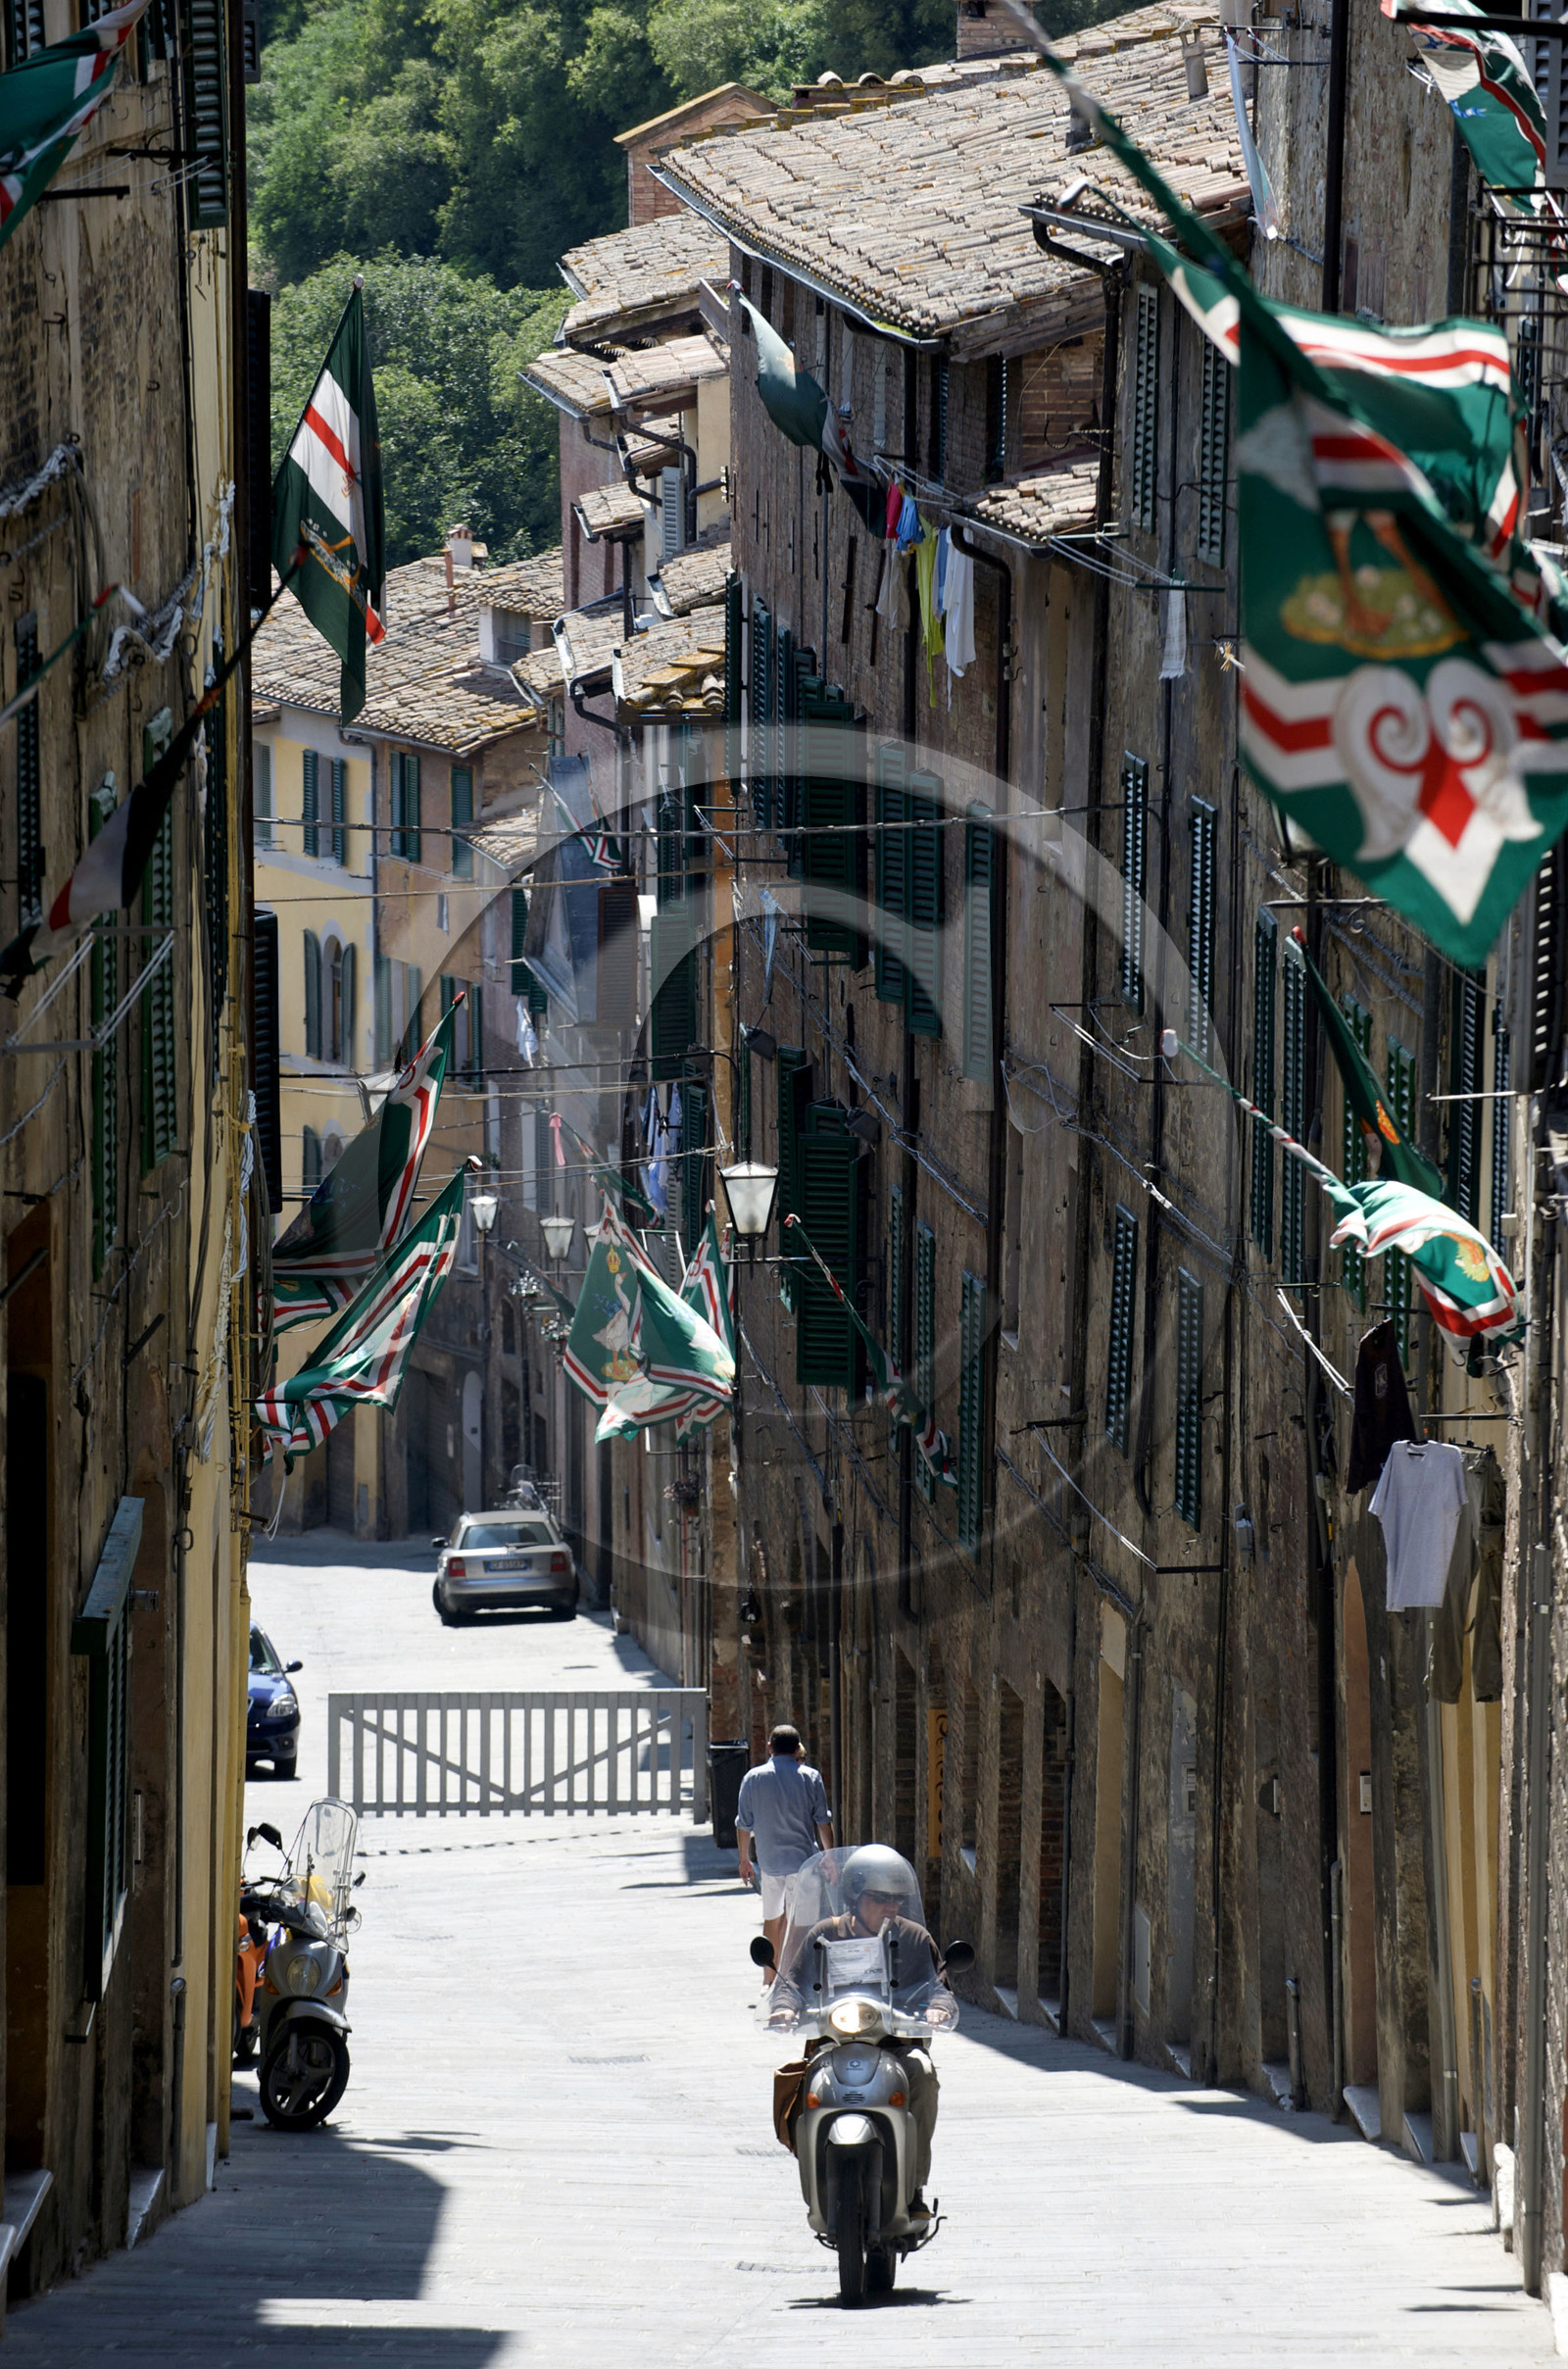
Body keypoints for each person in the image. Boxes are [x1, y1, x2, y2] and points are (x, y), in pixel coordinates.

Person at [769, 1844, 948, 2218]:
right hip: (833, 2042)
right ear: (854, 1895)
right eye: (879, 1898)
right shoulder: (823, 1935)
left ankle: (913, 2188)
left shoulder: (915, 1939)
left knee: (924, 2073)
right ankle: (818, 2181)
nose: (890, 1908)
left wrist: (938, 2008)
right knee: (810, 2083)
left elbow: (939, 1986)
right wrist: (784, 2006)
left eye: (896, 1900)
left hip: (895, 2044)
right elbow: (791, 1981)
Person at [735, 1724, 833, 1983]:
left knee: (771, 1919)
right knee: (799, 1923)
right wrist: (830, 1857)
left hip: (769, 1864)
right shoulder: (810, 1777)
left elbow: (743, 1823)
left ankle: (770, 1980)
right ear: (796, 1748)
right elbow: (823, 1822)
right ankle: (794, 1976)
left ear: (770, 1748)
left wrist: (744, 1859)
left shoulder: (753, 1778)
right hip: (803, 1863)